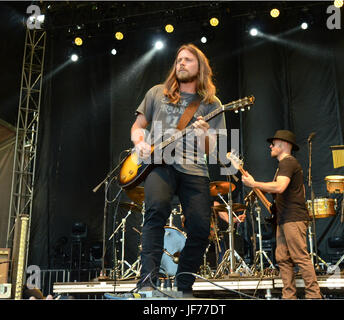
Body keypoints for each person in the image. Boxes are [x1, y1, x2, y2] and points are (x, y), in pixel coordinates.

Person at [130, 43, 226, 295]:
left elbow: (209, 149)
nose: (181, 63)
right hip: (161, 165)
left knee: (201, 230)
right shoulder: (156, 93)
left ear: (200, 67)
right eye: (178, 59)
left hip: (195, 170)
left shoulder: (211, 103)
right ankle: (147, 282)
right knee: (155, 214)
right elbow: (138, 125)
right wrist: (139, 142)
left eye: (188, 60)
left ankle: (184, 284)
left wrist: (204, 134)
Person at [241, 130, 322, 299]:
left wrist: (254, 183)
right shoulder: (284, 166)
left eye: (273, 143)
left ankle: (314, 295)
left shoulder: (288, 162)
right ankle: (288, 296)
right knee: (283, 258)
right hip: (284, 218)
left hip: (293, 218)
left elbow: (280, 187)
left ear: (284, 145)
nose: (270, 146)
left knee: (300, 256)